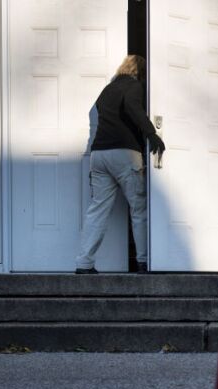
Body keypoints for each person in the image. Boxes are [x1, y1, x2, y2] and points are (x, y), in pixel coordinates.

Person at [75, 55, 165, 274]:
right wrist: (152, 134)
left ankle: (84, 264)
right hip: (124, 154)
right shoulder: (133, 86)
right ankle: (143, 262)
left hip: (99, 155)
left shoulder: (107, 89)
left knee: (97, 209)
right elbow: (132, 107)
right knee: (139, 208)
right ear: (141, 71)